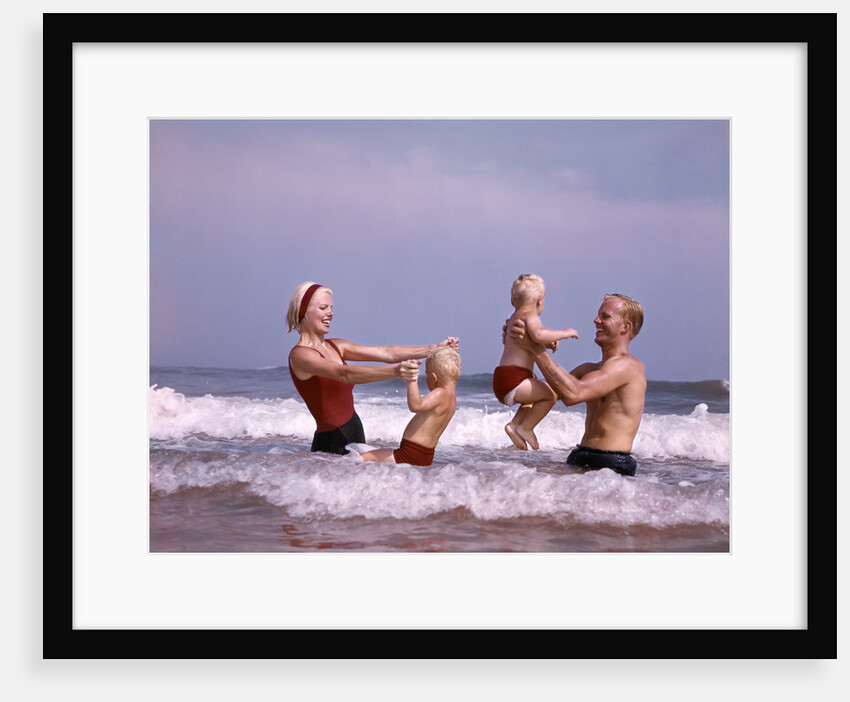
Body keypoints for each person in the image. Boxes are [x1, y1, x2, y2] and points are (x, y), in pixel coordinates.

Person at [286, 281, 459, 455]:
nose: (330, 313)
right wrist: (396, 371)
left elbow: (387, 353)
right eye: (323, 308)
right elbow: (344, 374)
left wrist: (435, 348)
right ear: (303, 311)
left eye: (331, 308)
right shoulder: (300, 356)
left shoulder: (337, 346)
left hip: (355, 434)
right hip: (331, 442)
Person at [507, 293, 646, 476]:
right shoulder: (589, 370)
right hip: (580, 455)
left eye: (605, 316)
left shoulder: (629, 366)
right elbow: (551, 391)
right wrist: (514, 346)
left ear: (625, 327)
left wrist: (534, 347)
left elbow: (573, 395)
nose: (596, 320)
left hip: (611, 464)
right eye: (598, 315)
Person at [493, 274, 578, 451]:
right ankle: (526, 427)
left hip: (504, 377)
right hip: (514, 378)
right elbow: (538, 334)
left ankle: (514, 426)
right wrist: (564, 333)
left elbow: (526, 342)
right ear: (540, 300)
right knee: (551, 394)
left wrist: (547, 343)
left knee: (534, 395)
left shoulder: (513, 318)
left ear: (512, 300)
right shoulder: (530, 316)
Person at [360, 345, 461, 467]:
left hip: (409, 454)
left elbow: (416, 406)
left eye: (427, 375)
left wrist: (411, 379)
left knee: (360, 458)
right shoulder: (452, 397)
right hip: (425, 455)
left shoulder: (441, 393)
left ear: (434, 378)